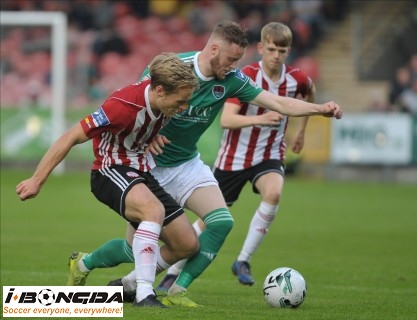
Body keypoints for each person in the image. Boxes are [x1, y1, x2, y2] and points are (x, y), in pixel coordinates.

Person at [72, 20, 343, 308]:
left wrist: (319, 109)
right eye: (231, 59)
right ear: (213, 49)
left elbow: (276, 102)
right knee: (131, 249)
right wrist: (149, 137)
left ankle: (177, 290)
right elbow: (141, 104)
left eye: (239, 59)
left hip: (187, 164)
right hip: (148, 167)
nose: (235, 65)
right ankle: (86, 263)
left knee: (222, 221)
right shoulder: (175, 69)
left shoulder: (232, 80)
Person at [15, 53, 200, 308]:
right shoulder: (122, 106)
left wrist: (150, 137)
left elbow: (148, 124)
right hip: (108, 170)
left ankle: (111, 278)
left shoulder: (165, 100)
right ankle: (145, 294)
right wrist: (37, 179)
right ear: (159, 90)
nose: (183, 108)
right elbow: (71, 136)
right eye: (180, 102)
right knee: (153, 211)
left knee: (187, 244)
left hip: (141, 172)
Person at [156, 21, 314, 288]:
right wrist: (260, 120)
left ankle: (241, 260)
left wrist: (307, 124)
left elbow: (307, 93)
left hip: (268, 155)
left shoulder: (292, 78)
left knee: (270, 194)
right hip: (232, 158)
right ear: (262, 48)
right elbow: (227, 120)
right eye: (272, 49)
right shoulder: (241, 76)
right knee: (157, 234)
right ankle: (158, 277)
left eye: (282, 50)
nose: (277, 55)